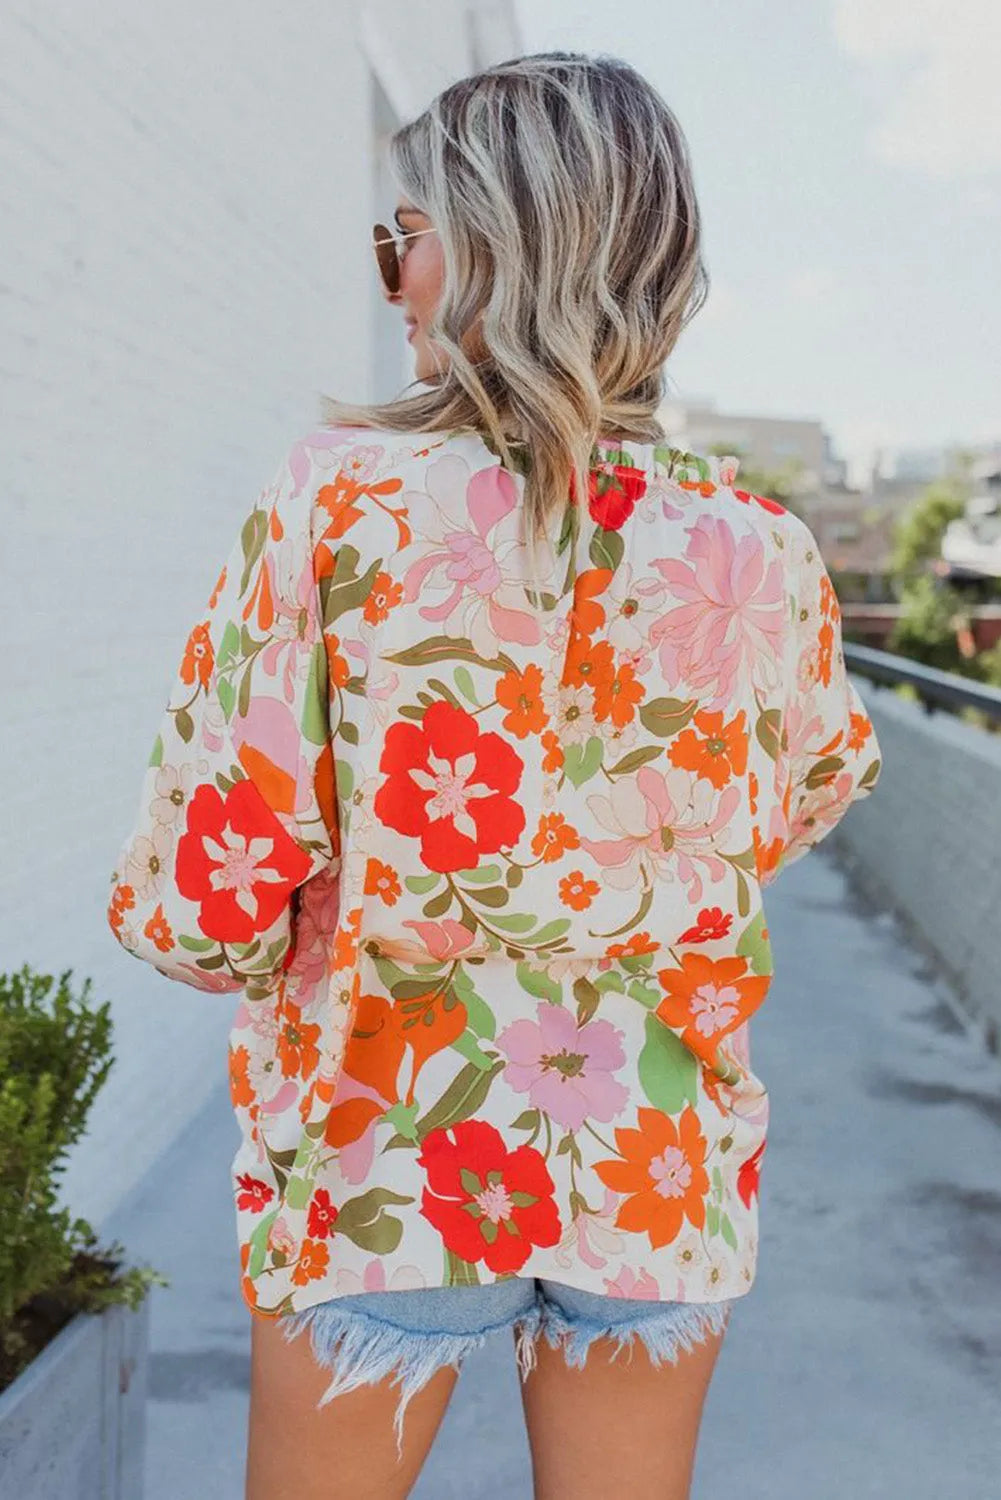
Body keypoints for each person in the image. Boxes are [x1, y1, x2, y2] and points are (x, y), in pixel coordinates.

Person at [106, 50, 883, 1500]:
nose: (392, 276)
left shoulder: (337, 501)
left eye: (404, 237)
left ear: (494, 247)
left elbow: (207, 899)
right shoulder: (760, 550)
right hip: (652, 1153)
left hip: (386, 1148)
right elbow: (801, 796)